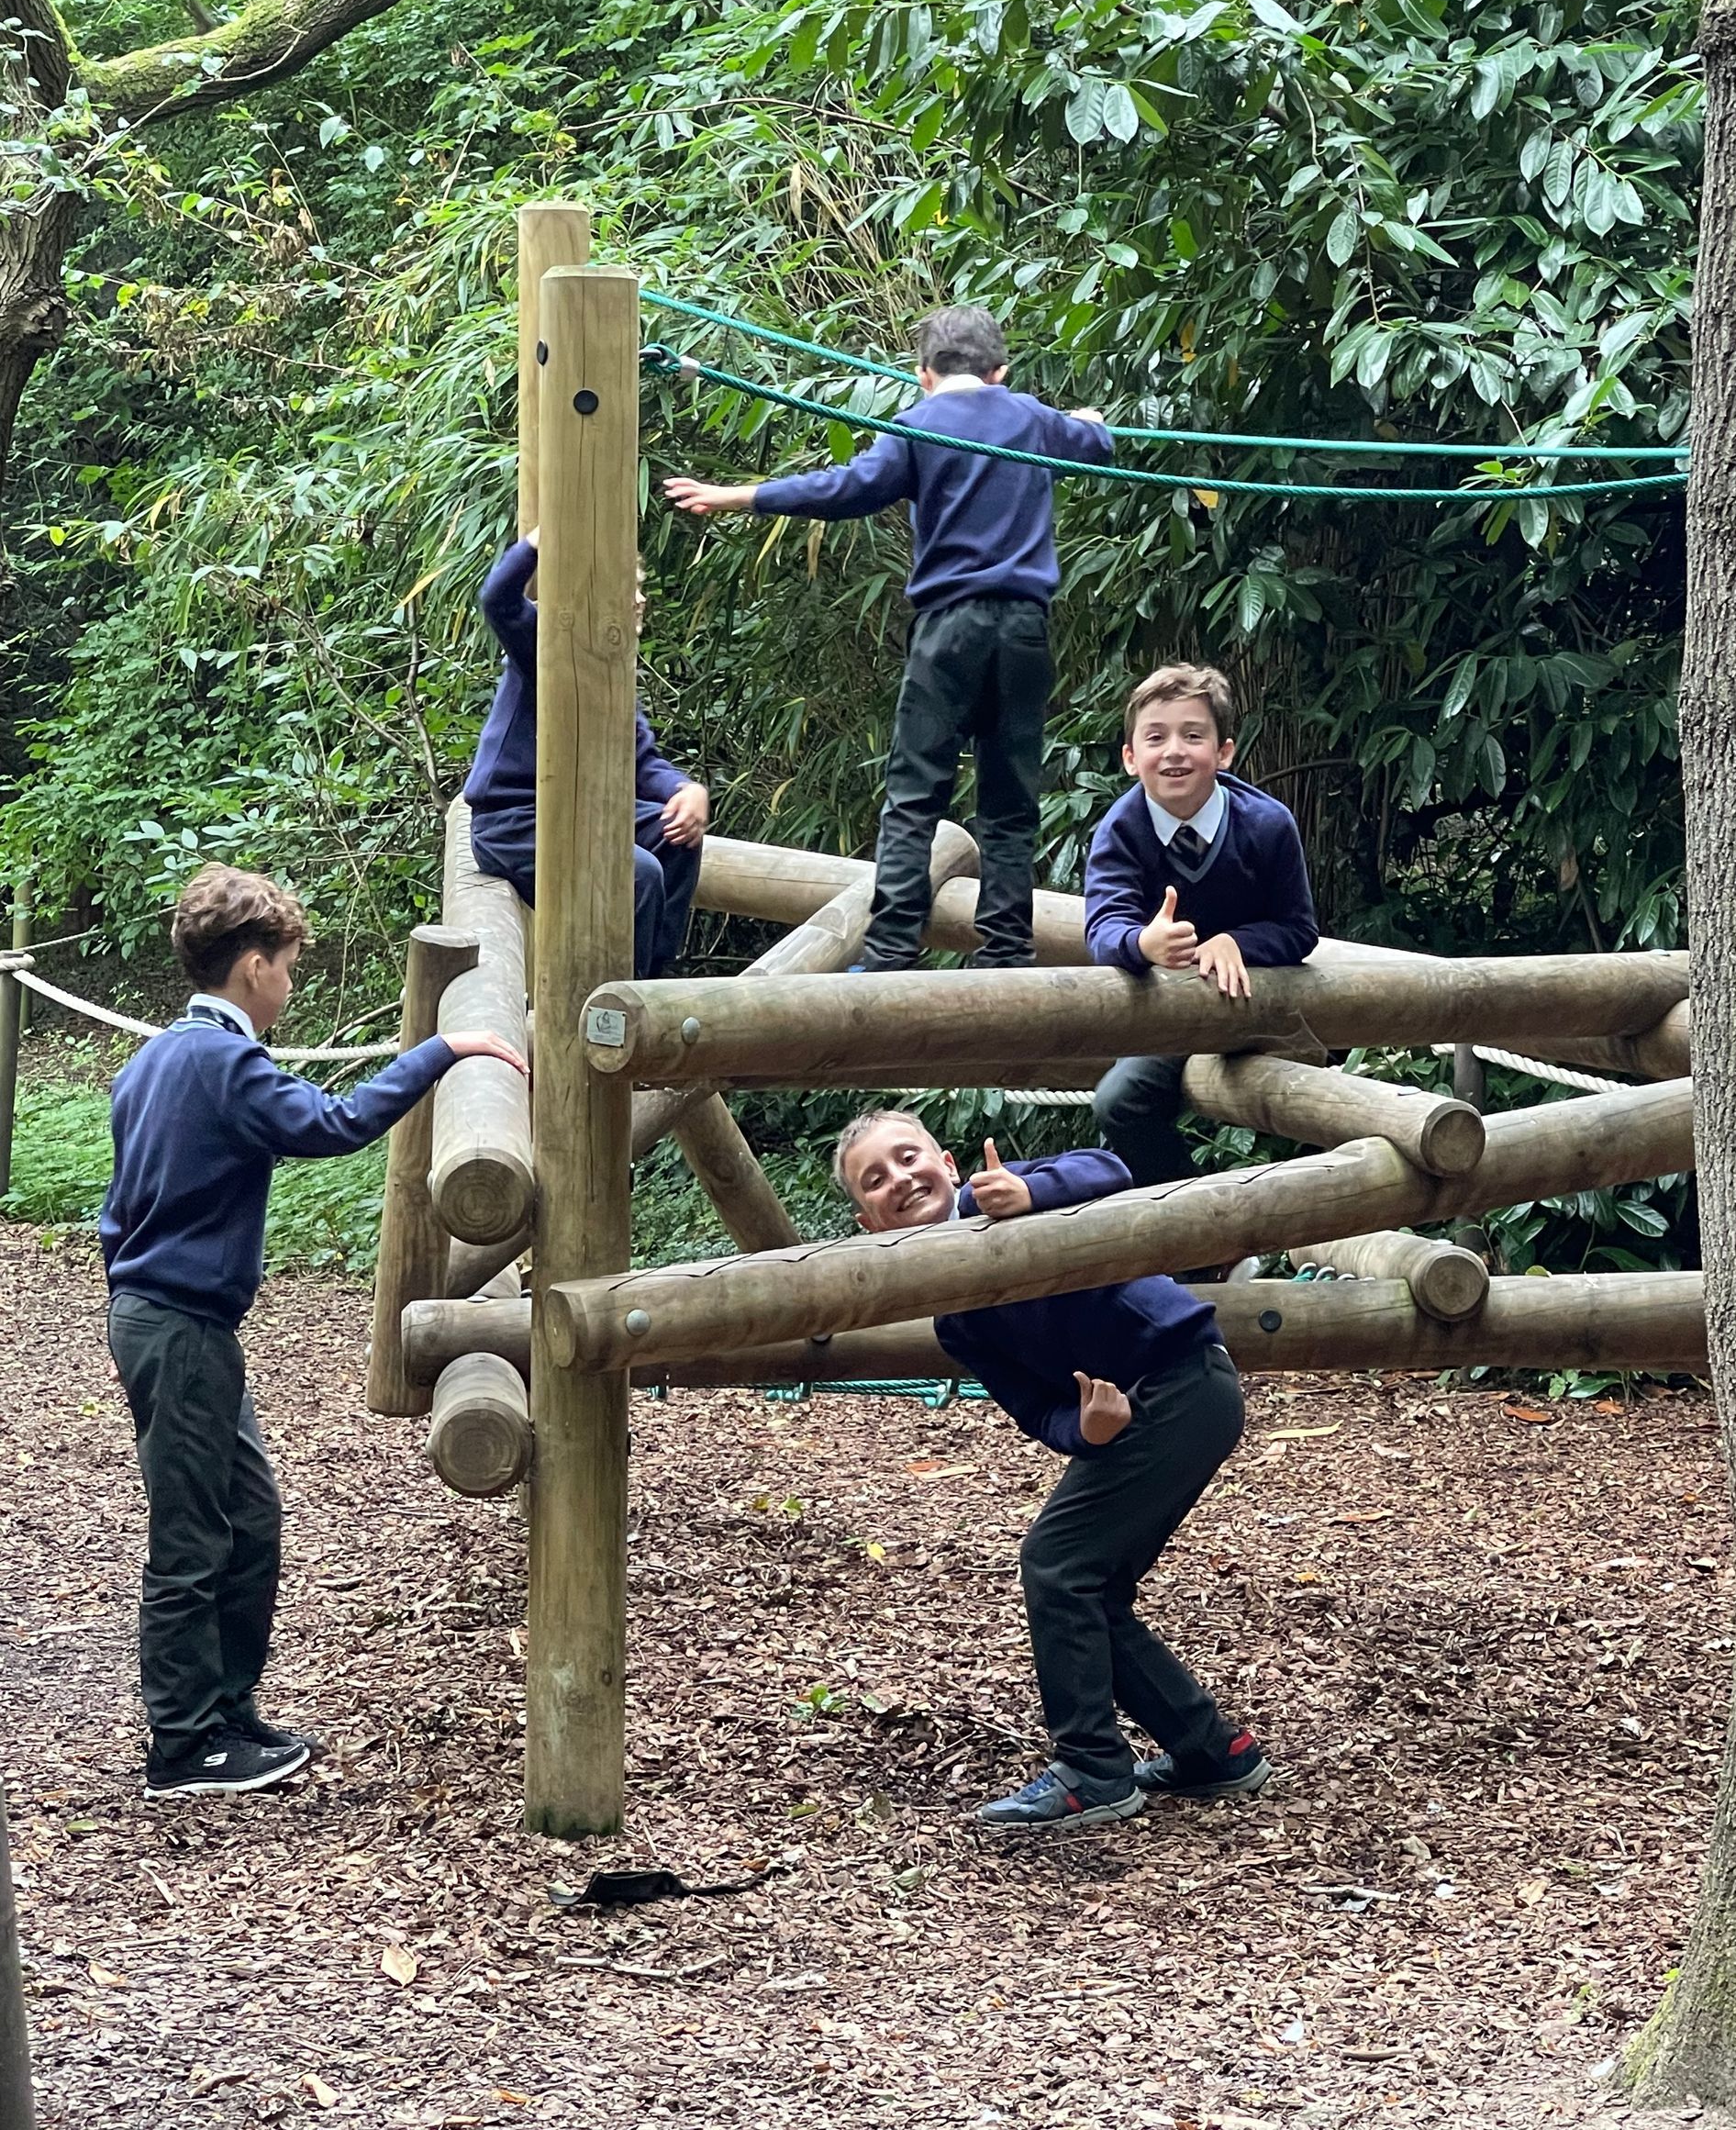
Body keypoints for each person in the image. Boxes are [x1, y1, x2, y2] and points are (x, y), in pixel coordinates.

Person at [101, 864, 526, 1800]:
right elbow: (332, 1124)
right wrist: (440, 1049)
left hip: (167, 1319)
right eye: (289, 965)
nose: (290, 983)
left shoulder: (155, 1058)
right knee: (192, 1533)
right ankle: (182, 1744)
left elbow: (116, 1210)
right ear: (253, 967)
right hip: (177, 1326)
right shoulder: (222, 1059)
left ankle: (224, 1707)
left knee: (249, 1516)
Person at [835, 1108, 1267, 1831]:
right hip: (1154, 1408)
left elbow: (1112, 1170)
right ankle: (1211, 1749)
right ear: (868, 1223)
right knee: (1087, 1588)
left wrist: (1031, 1195)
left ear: (946, 1164)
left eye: (908, 1159)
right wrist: (1087, 1429)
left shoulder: (1001, 1194)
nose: (900, 1180)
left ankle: (1092, 1767)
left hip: (1184, 1379)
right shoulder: (956, 1319)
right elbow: (1039, 1411)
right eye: (875, 1181)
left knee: (1056, 1563)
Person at [664, 304, 1111, 972]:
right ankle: (1006, 951)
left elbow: (846, 489)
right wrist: (1090, 422)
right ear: (999, 372)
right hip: (1024, 627)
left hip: (948, 629)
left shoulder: (915, 423)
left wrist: (739, 495)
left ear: (922, 375)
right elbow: (1096, 446)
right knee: (1010, 797)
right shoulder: (1029, 416)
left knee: (915, 791)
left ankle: (892, 946)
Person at [1085, 663, 1319, 1186]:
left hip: (1260, 1005)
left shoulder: (1267, 824)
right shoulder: (1121, 830)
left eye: (1193, 736)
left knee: (1317, 1101)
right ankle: (1203, 1236)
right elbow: (1103, 930)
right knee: (1119, 1104)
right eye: (1156, 737)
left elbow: (1299, 928)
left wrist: (1236, 941)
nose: (1174, 751)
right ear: (1130, 757)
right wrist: (1143, 942)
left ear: (1224, 752)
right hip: (1169, 1012)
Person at [463, 528, 709, 977]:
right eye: (626, 588)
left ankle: (655, 977)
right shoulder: (548, 642)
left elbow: (642, 762)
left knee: (675, 838)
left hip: (577, 817)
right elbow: (497, 600)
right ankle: (618, 995)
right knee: (638, 874)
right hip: (513, 823)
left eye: (639, 588)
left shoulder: (613, 670)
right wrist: (539, 542)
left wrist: (685, 789)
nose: (639, 600)